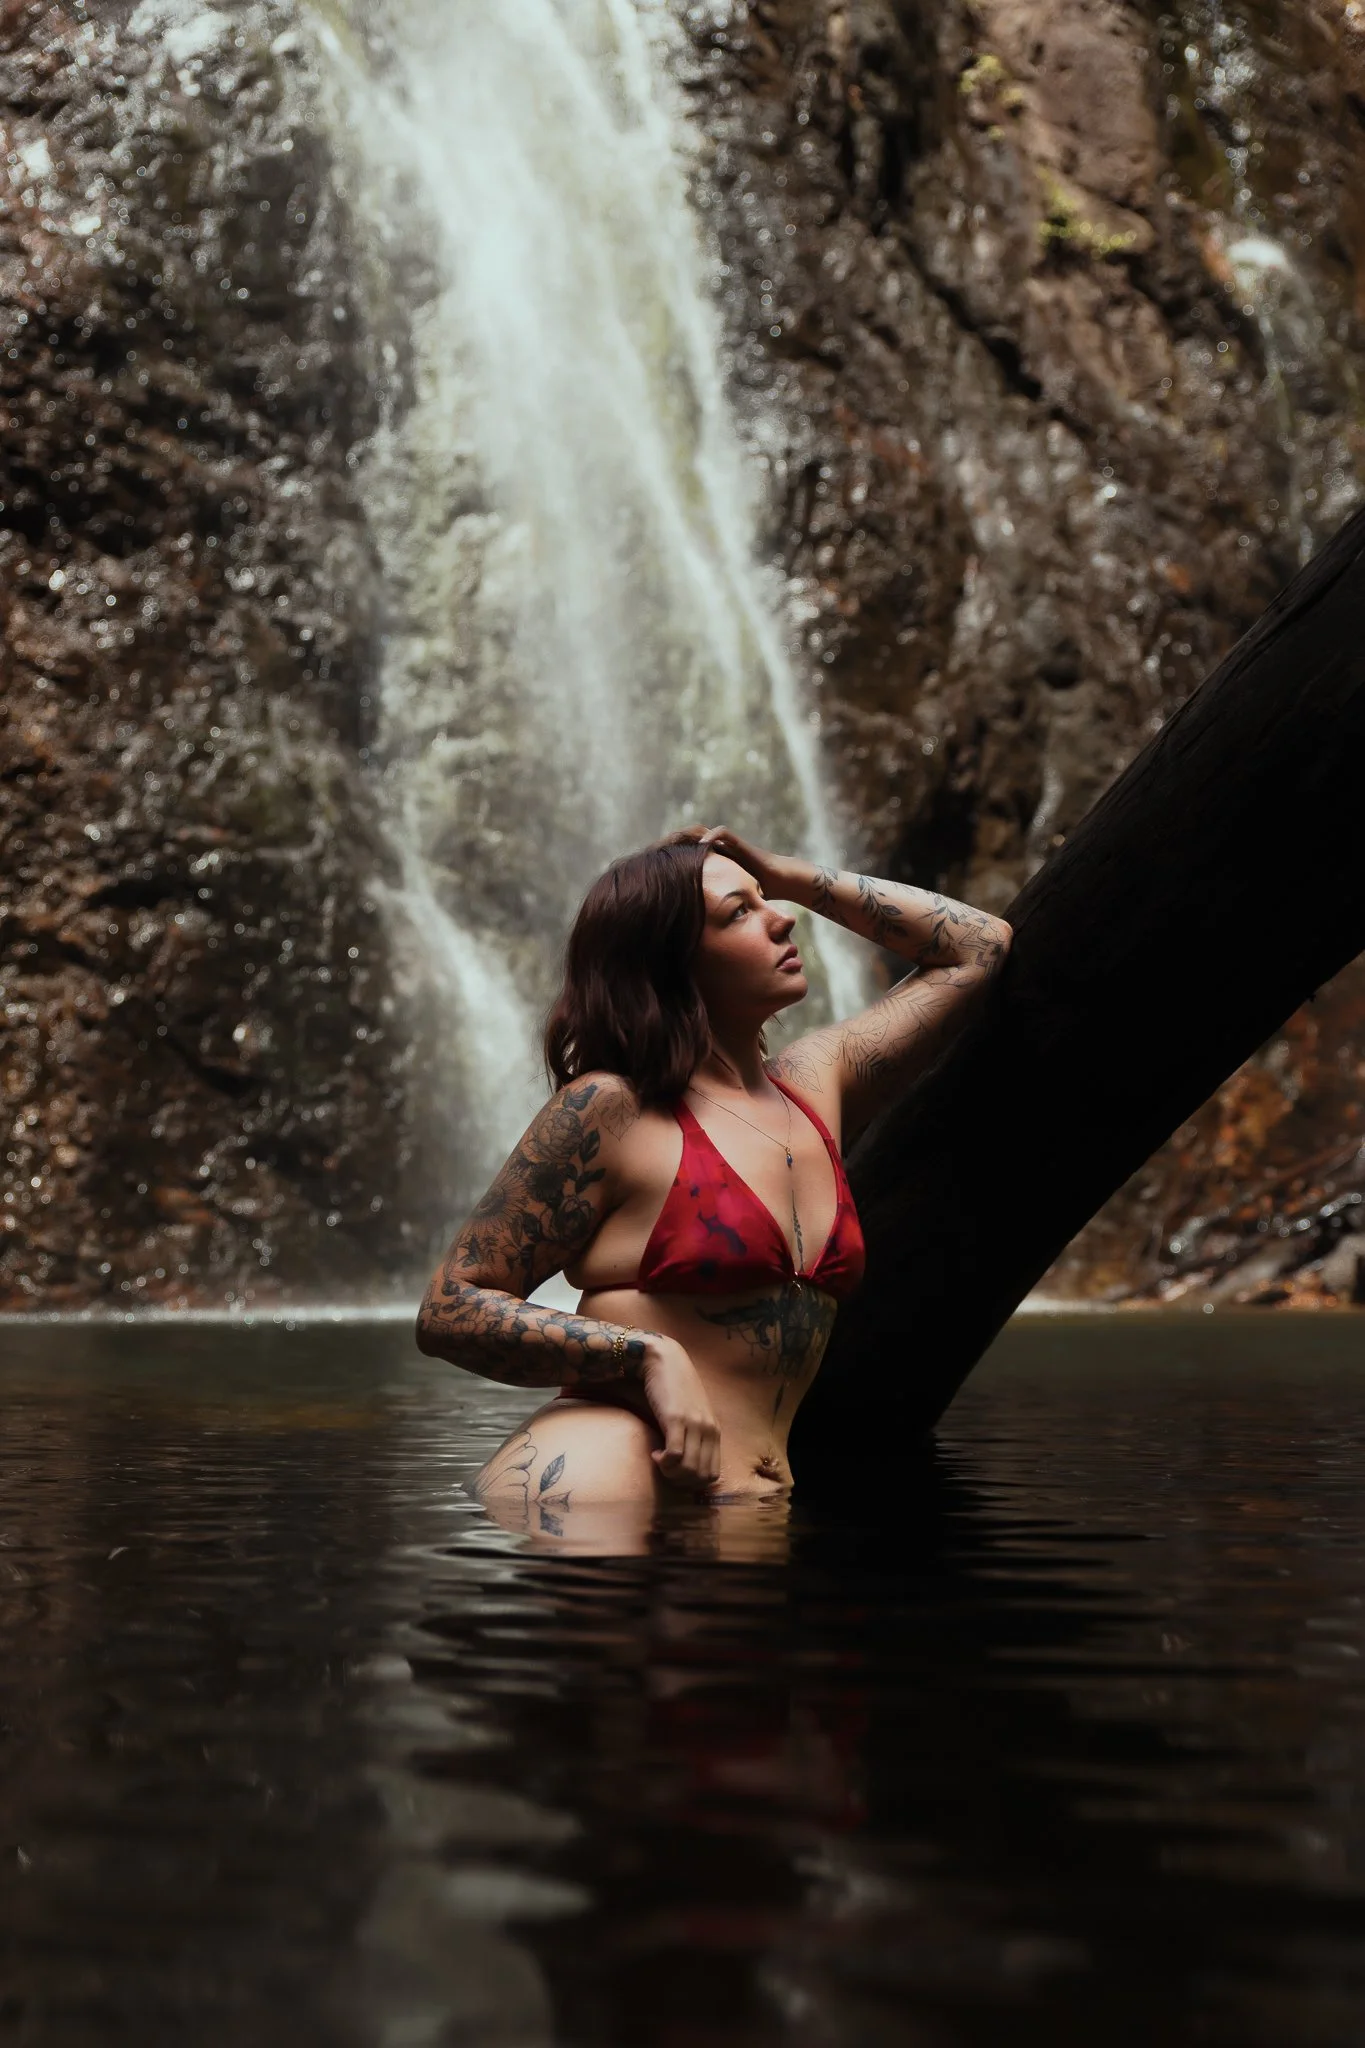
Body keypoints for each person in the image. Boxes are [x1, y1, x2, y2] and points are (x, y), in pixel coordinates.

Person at [415, 826, 1011, 1532]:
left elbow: (979, 946)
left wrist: (781, 873)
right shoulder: (612, 1109)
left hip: (747, 1507)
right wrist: (644, 1355)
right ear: (672, 965)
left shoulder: (813, 1083)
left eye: (768, 903)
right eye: (740, 912)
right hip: (600, 1481)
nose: (780, 918)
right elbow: (450, 1306)